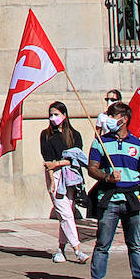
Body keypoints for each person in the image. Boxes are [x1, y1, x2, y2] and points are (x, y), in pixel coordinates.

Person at [84, 102, 140, 279]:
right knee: (102, 244)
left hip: (131, 200)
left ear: (124, 119)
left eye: (112, 115)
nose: (108, 119)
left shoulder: (139, 145)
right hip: (109, 200)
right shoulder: (100, 142)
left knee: (134, 244)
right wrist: (106, 177)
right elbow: (92, 168)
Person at [39, 101, 89, 264]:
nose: (53, 118)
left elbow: (77, 158)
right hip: (56, 176)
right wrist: (52, 179)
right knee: (65, 213)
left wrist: (58, 163)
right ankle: (77, 249)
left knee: (66, 214)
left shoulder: (74, 135)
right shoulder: (45, 135)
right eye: (51, 114)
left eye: (57, 114)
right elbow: (48, 161)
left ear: (64, 115)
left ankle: (60, 249)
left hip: (71, 177)